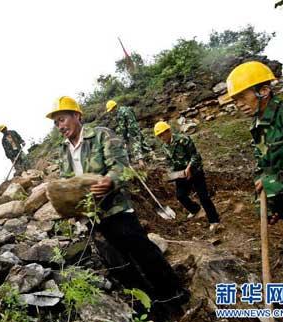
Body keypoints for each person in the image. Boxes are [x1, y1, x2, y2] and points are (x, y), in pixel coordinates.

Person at [47, 96, 188, 306]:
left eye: (62, 119)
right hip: (92, 219)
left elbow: (122, 167)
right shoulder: (63, 151)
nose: (60, 126)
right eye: (56, 122)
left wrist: (109, 181)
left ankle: (174, 295)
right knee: (119, 264)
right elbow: (67, 182)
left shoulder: (102, 135)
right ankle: (149, 304)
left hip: (116, 210)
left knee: (143, 253)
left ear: (77, 116)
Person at [226, 61, 283, 243]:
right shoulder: (257, 126)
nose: (238, 104)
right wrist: (267, 204)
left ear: (264, 91)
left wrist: (272, 185)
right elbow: (263, 170)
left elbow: (271, 180)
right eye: (235, 100)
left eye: (242, 96)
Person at [154, 121, 221, 232]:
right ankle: (195, 210)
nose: (162, 137)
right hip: (181, 174)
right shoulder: (164, 146)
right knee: (180, 195)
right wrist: (171, 173)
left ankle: (214, 220)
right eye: (159, 136)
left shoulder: (183, 139)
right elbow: (169, 162)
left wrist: (189, 168)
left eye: (163, 134)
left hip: (195, 172)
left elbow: (195, 156)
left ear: (168, 131)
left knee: (203, 197)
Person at [106, 100, 151, 167]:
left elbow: (123, 128)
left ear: (114, 107)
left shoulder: (121, 113)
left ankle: (140, 163)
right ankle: (152, 155)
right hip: (135, 129)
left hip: (132, 131)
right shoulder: (123, 110)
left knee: (135, 145)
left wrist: (123, 138)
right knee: (143, 144)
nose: (111, 112)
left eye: (111, 110)